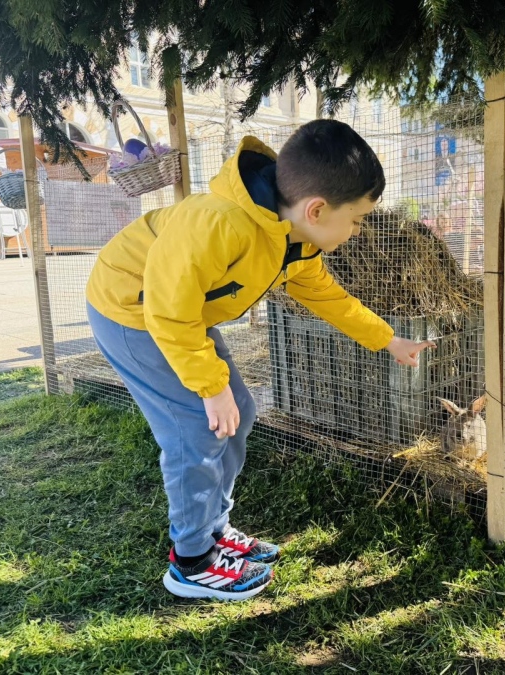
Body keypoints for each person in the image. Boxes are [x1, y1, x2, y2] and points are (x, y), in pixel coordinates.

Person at [85, 120, 434, 601]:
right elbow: (167, 310)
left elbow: (326, 296)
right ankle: (190, 560)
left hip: (182, 314)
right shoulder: (219, 222)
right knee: (196, 427)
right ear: (316, 208)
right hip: (133, 312)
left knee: (239, 414)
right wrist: (211, 387)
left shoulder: (292, 236)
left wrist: (387, 339)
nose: (356, 232)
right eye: (356, 220)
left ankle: (213, 530)